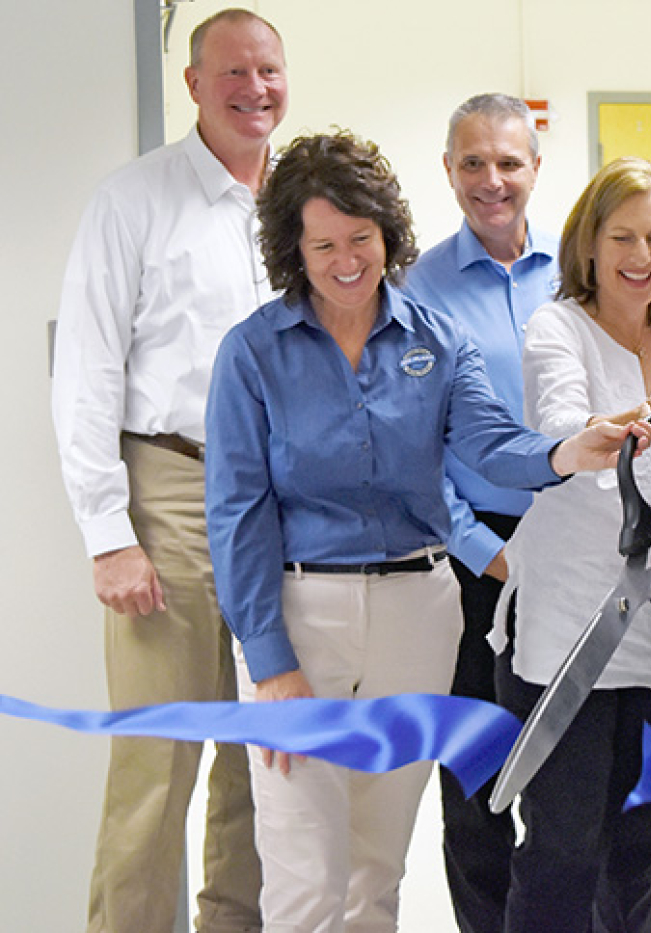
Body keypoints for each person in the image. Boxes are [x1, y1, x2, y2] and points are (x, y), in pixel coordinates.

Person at [203, 131, 649, 933]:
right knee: (306, 875)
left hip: (419, 612)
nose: (347, 261)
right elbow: (236, 512)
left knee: (376, 870)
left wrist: (568, 448)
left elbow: (489, 444)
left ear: (388, 234)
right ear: (291, 250)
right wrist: (268, 660)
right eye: (324, 244)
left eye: (362, 239)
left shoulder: (434, 339)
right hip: (300, 620)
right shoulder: (253, 353)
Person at [50, 9, 287, 931]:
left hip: (279, 503)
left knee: (263, 761)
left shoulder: (300, 205)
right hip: (171, 494)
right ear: (191, 84)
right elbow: (85, 377)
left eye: (267, 69)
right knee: (159, 759)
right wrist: (110, 536)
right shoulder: (133, 200)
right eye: (232, 71)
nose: (253, 87)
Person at [494, 157, 651, 933]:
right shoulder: (557, 326)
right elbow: (563, 425)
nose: (641, 254)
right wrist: (631, 428)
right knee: (562, 849)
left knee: (638, 847)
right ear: (589, 245)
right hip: (564, 632)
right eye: (621, 235)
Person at [401, 92, 554, 933]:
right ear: (450, 171)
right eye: (472, 163)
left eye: (508, 162)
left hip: (579, 546)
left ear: (536, 168)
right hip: (474, 555)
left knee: (571, 768)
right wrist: (480, 550)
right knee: (475, 775)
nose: (490, 181)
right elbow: (414, 449)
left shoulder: (585, 267)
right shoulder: (417, 288)